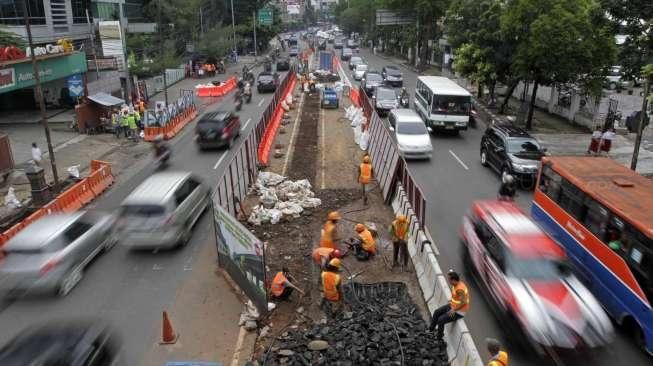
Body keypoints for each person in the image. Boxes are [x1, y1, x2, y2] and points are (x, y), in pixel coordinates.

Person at [429, 270, 469, 340]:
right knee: (437, 312)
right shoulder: (455, 284)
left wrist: (454, 309)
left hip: (458, 312)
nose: (448, 281)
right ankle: (430, 330)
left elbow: (464, 302)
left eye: (449, 280)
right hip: (452, 306)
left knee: (441, 320)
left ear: (453, 280)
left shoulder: (460, 289)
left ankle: (439, 337)